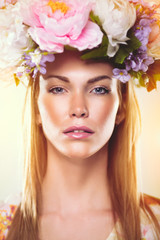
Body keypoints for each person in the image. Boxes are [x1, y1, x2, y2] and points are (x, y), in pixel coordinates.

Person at [0, 0, 160, 240]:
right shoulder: (5, 225)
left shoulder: (155, 224)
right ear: (35, 106)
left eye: (98, 90)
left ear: (121, 107)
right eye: (57, 89)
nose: (78, 109)